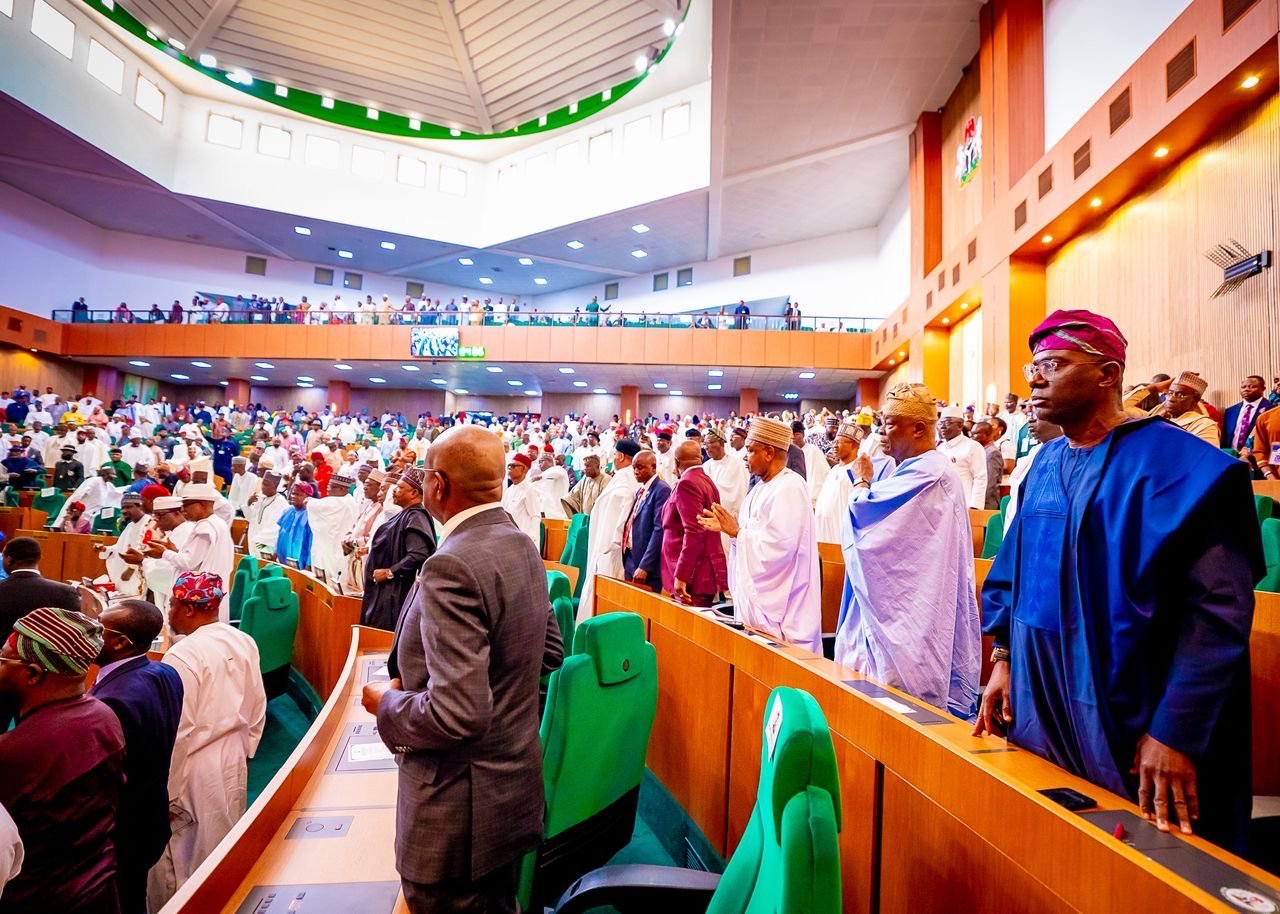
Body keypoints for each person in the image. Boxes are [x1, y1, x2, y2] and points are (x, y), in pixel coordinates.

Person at [976, 309, 1260, 853]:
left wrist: (1176, 729)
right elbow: (1013, 575)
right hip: (1044, 702)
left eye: (1053, 365)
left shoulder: (1191, 470)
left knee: (1145, 866)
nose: (1035, 379)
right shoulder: (1044, 464)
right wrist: (1004, 662)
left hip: (1134, 716)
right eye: (1032, 367)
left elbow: (1217, 617)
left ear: (1107, 374)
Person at [361, 426, 563, 914]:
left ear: (439, 484)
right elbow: (550, 653)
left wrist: (387, 703)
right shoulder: (518, 542)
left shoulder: (453, 563)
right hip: (508, 791)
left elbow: (457, 714)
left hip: (454, 812)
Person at [833, 383, 981, 718]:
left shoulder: (930, 472)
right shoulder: (919, 470)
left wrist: (861, 483)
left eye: (889, 423)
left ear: (917, 428)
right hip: (909, 609)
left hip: (909, 622)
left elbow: (865, 524)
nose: (882, 432)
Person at [149, 572, 266, 909]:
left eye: (171, 604)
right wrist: (246, 751)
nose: (168, 612)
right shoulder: (242, 639)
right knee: (223, 844)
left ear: (188, 608)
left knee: (181, 864)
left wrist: (167, 794)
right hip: (233, 757)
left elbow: (180, 730)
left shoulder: (182, 655)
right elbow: (257, 705)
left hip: (193, 767)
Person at [0, 608, 126, 914]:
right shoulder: (104, 716)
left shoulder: (14, 752)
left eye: (3, 659)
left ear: (32, 673)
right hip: (100, 890)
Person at [90, 600, 183, 914]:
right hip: (151, 817)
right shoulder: (165, 673)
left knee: (123, 902)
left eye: (97, 628)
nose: (89, 632)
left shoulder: (113, 700)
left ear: (119, 642)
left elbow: (105, 778)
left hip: (120, 832)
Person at [698, 416, 821, 652]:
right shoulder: (760, 488)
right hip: (757, 610)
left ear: (769, 453)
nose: (745, 457)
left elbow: (779, 550)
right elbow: (749, 536)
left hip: (784, 614)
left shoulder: (790, 487)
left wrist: (737, 533)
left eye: (751, 450)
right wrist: (733, 534)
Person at [360, 468, 437, 631]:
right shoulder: (405, 514)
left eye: (400, 487)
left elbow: (418, 554)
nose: (394, 491)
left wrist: (389, 572)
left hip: (396, 595)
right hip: (386, 592)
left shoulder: (415, 517)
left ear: (414, 493)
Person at [144, 484, 234, 622]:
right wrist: (174, 551)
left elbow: (188, 563)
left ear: (202, 504)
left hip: (202, 595)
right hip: (212, 590)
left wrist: (164, 553)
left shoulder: (205, 527)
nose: (183, 510)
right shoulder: (218, 524)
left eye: (187, 505)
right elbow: (198, 558)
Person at [578, 439, 642, 622]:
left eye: (615, 455)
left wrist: (602, 550)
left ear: (621, 456)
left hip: (609, 553)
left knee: (603, 606)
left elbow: (614, 527)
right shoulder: (629, 480)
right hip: (613, 552)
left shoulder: (623, 485)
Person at [661, 441, 727, 606]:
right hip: (701, 569)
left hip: (692, 575)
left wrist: (682, 575)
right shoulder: (706, 480)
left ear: (676, 462)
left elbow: (694, 531)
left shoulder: (687, 483)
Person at [0, 537, 80, 640]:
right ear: (39, 558)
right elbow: (74, 635)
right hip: (46, 656)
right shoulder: (65, 591)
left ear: (9, 560)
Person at [1003, 409, 1064, 532]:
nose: (1031, 420)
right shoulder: (1035, 451)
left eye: (1040, 415)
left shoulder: (1065, 453)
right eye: (1031, 415)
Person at [1123, 371, 1219, 446]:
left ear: (1194, 401)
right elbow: (1122, 407)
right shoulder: (1155, 415)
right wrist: (1154, 388)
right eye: (1170, 393)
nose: (1171, 398)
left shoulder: (1203, 426)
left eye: (1180, 395)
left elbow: (1208, 462)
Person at [620, 451, 670, 593]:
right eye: (634, 467)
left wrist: (645, 566)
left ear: (653, 467)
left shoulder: (661, 489)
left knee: (644, 610)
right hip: (631, 557)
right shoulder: (641, 490)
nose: (636, 471)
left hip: (645, 564)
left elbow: (659, 529)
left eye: (640, 467)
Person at [305, 474, 359, 581]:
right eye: (328, 486)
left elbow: (310, 503)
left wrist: (309, 501)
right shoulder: (346, 501)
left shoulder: (344, 502)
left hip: (339, 550)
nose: (328, 489)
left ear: (342, 489)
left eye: (332, 487)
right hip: (329, 548)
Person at [814, 422, 861, 543]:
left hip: (839, 536)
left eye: (839, 442)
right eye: (834, 442)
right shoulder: (834, 469)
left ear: (854, 445)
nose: (834, 446)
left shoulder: (857, 470)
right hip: (822, 533)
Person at [97, 493, 149, 597]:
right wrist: (106, 549)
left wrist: (130, 569)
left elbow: (144, 550)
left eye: (128, 507)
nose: (124, 511)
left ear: (139, 506)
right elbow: (121, 547)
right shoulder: (130, 525)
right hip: (125, 575)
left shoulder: (147, 523)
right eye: (123, 508)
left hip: (137, 574)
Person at [935, 405, 987, 510]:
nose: (943, 427)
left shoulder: (973, 446)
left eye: (948, 423)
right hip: (943, 506)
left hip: (965, 504)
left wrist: (975, 506)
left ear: (960, 425)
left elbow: (980, 478)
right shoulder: (940, 449)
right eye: (941, 423)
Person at [1221, 374, 1271, 455]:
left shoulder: (1271, 409)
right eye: (1243, 387)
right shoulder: (1230, 411)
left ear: (1263, 389)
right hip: (1232, 457)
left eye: (1252, 387)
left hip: (1258, 460)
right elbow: (1225, 438)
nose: (1247, 389)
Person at [501, 452, 542, 544]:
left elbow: (535, 517)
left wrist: (530, 540)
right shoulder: (509, 490)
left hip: (523, 541)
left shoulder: (530, 490)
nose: (509, 469)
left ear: (523, 469)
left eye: (513, 466)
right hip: (508, 538)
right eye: (509, 466)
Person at [245, 472, 288, 559]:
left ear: (275, 486)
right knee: (254, 563)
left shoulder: (281, 503)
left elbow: (276, 528)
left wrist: (260, 538)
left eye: (266, 484)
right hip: (256, 539)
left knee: (263, 564)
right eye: (263, 483)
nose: (262, 487)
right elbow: (252, 518)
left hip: (267, 542)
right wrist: (249, 505)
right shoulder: (261, 498)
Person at [273, 483, 314, 569]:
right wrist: (275, 553)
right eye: (293, 493)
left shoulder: (311, 515)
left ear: (307, 497)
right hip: (282, 562)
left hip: (300, 564)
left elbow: (312, 543)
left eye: (298, 494)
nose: (294, 496)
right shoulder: (287, 511)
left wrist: (309, 565)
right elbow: (280, 535)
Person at [970, 420, 1004, 510]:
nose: (971, 437)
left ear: (987, 434)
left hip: (986, 504)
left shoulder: (992, 453)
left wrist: (975, 503)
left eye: (975, 434)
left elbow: (989, 483)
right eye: (971, 433)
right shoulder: (980, 450)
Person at [533, 453, 570, 520]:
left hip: (558, 513)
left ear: (549, 461)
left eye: (541, 461)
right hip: (546, 512)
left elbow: (556, 473)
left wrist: (538, 477)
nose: (539, 465)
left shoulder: (558, 469)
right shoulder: (544, 475)